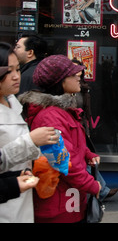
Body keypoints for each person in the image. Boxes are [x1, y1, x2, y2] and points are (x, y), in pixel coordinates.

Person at [19, 54, 101, 223]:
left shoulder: (61, 111)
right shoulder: (51, 116)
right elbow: (63, 161)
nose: (78, 77)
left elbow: (71, 144)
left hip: (69, 200)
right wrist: (92, 184)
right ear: (60, 81)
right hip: (59, 205)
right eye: (73, 75)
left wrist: (87, 153)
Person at [0, 42, 57, 222]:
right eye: (9, 71)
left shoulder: (13, 102)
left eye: (18, 69)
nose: (16, 76)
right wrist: (31, 141)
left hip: (20, 198)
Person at [72, 59, 118, 201]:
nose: (76, 75)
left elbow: (89, 108)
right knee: (82, 160)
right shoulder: (67, 94)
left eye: (78, 71)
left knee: (87, 158)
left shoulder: (85, 87)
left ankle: (99, 188)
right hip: (75, 129)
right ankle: (100, 189)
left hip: (82, 127)